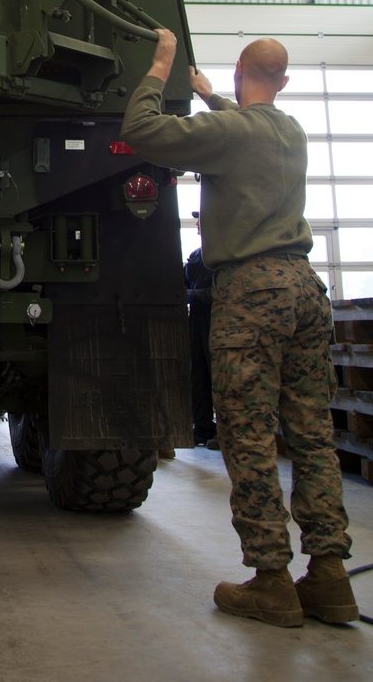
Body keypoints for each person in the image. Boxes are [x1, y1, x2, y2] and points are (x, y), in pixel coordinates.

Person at [120, 30, 357, 629]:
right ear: (284, 81)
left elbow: (142, 130)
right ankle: (329, 578)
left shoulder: (229, 133)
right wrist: (211, 98)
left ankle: (271, 581)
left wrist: (162, 68)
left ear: (238, 73)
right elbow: (246, 124)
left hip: (252, 293)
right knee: (310, 435)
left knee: (248, 436)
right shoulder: (292, 131)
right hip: (305, 289)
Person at [185, 214, 218, 449]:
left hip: (216, 320)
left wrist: (191, 296)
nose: (197, 224)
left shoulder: (223, 257)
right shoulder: (197, 256)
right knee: (197, 376)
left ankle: (224, 431)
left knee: (217, 376)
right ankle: (203, 429)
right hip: (197, 320)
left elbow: (222, 292)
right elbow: (183, 280)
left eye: (201, 220)